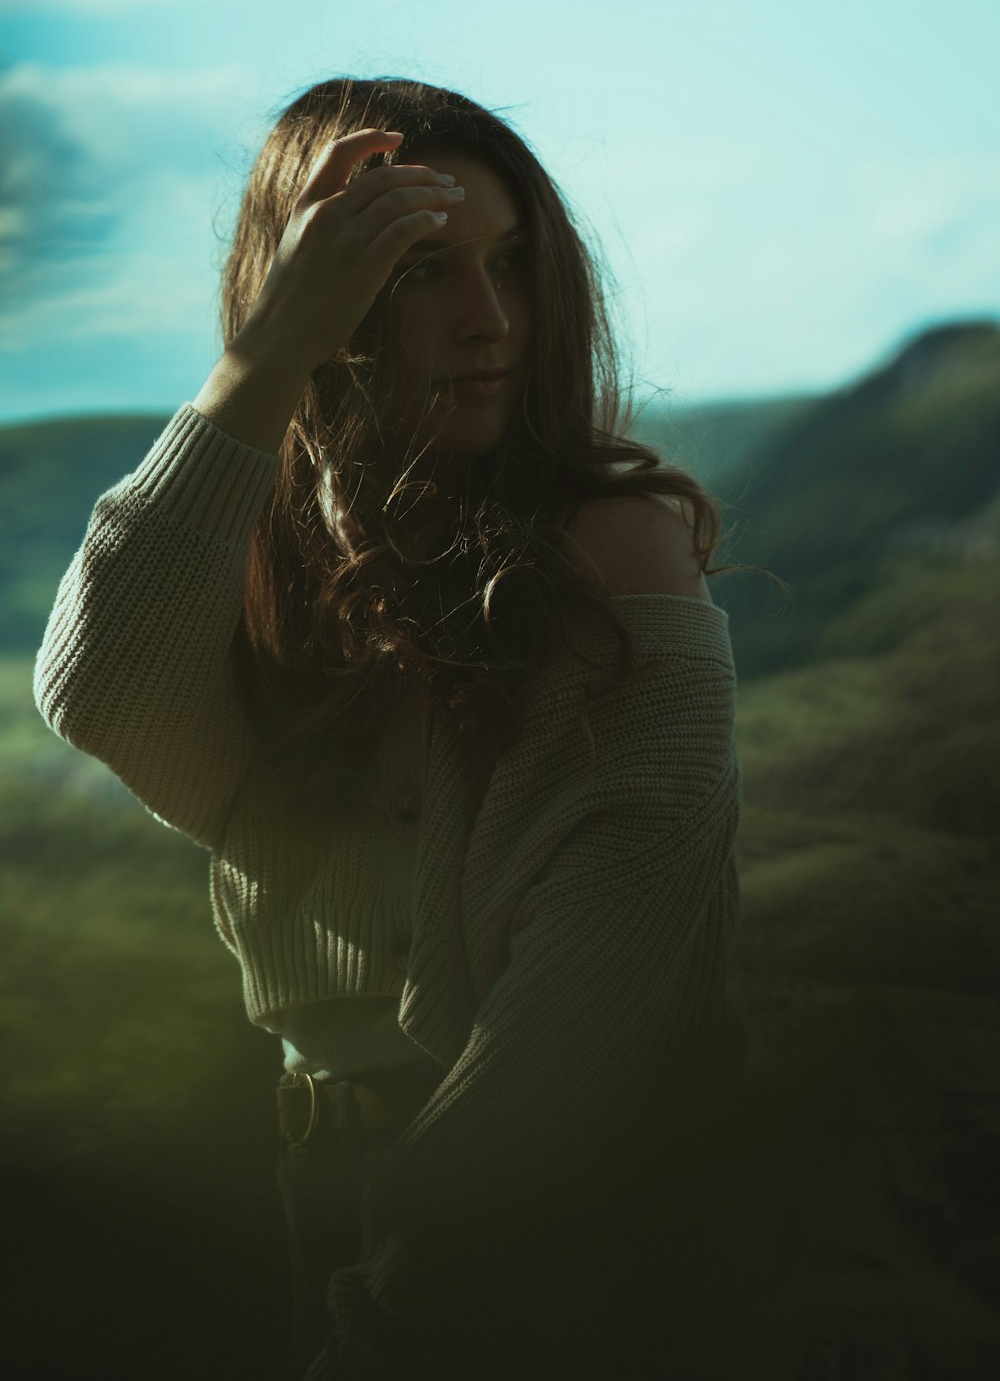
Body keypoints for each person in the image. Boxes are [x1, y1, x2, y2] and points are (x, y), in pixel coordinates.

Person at [33, 77, 749, 1380]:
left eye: (514, 265)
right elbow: (98, 689)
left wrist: (389, 1333)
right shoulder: (274, 564)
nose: (492, 323)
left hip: (555, 1240)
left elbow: (567, 1056)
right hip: (328, 1168)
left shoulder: (616, 555)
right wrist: (265, 359)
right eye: (419, 272)